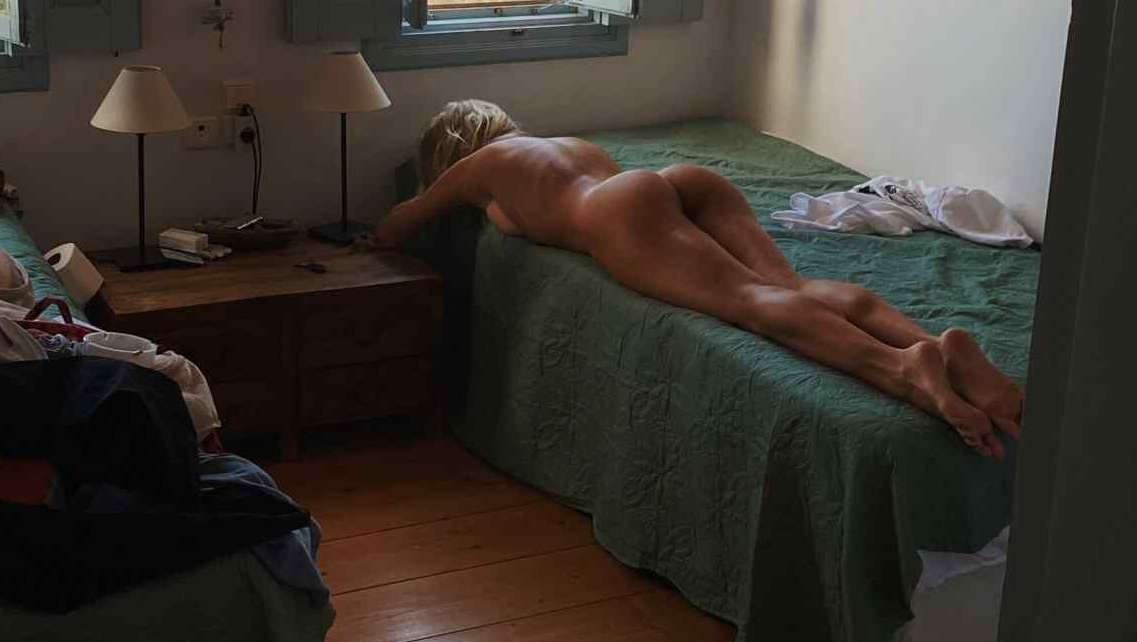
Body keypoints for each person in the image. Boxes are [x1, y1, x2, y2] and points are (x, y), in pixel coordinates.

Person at [374, 100, 1023, 458]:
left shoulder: (474, 169)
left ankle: (904, 370)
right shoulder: (558, 145)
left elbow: (404, 221)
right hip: (673, 182)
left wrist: (372, 235)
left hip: (614, 215)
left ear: (450, 151)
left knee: (751, 304)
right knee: (788, 288)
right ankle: (934, 344)